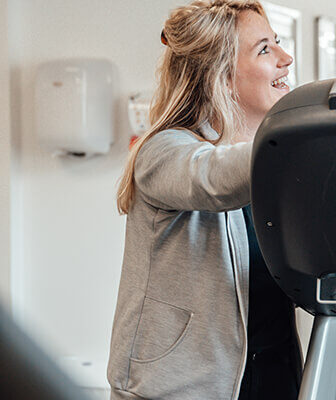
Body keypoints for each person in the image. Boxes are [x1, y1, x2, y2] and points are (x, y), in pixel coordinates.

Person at [107, 1, 300, 399]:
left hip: (273, 382)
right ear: (224, 77)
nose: (287, 57)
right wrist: (309, 135)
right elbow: (212, 178)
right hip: (180, 389)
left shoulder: (277, 173)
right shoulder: (163, 153)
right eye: (265, 49)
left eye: (277, 43)